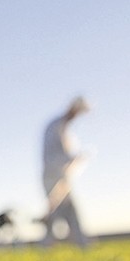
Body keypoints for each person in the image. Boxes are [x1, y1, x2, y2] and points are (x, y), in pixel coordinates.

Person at [40, 96, 89, 247]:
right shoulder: (56, 126)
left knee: (69, 212)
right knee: (55, 213)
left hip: (61, 177)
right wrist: (77, 158)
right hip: (53, 177)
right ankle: (46, 247)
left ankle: (82, 245)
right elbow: (58, 155)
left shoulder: (62, 127)